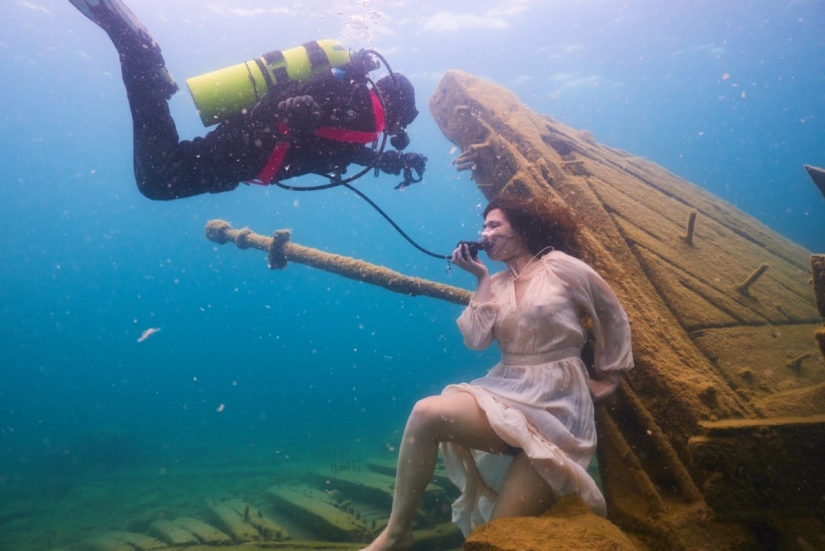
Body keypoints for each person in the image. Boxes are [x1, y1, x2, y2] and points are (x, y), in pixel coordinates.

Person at [362, 194, 634, 550]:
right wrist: (480, 278)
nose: (484, 233)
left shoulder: (559, 266)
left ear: (520, 229)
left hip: (559, 404)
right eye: (483, 226)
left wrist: (610, 376)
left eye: (494, 225)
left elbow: (611, 312)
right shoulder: (497, 283)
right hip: (507, 389)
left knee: (498, 535)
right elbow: (476, 340)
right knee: (426, 413)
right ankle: (397, 533)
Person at [67, 0, 427, 200]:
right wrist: (301, 109)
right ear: (396, 108)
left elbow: (340, 150)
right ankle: (139, 52)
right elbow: (308, 102)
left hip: (245, 153)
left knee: (160, 176)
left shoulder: (362, 120)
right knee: (157, 180)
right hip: (244, 150)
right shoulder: (361, 107)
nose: (396, 130)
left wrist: (394, 160)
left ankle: (145, 66)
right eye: (402, 124)